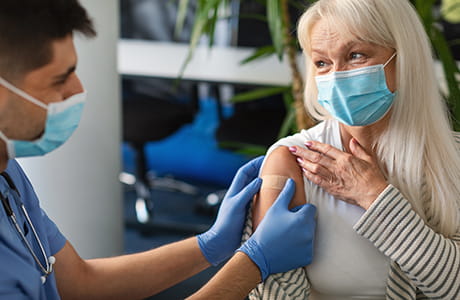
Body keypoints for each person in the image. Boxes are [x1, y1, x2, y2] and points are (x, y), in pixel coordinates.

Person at [0, 0, 318, 299]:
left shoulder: (8, 171)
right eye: (60, 80)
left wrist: (210, 245)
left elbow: (79, 282)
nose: (78, 91)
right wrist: (253, 265)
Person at [243, 0, 460, 299]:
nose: (336, 75)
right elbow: (273, 295)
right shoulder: (294, 161)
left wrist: (374, 195)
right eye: (322, 62)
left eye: (356, 55)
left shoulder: (454, 158)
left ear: (404, 58)